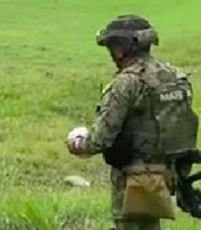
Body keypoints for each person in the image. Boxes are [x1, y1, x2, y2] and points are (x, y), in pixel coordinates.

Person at [67, 15, 200, 230]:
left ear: (120, 49)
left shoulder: (126, 84)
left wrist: (77, 143)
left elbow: (100, 140)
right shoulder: (176, 77)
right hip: (168, 175)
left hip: (133, 181)